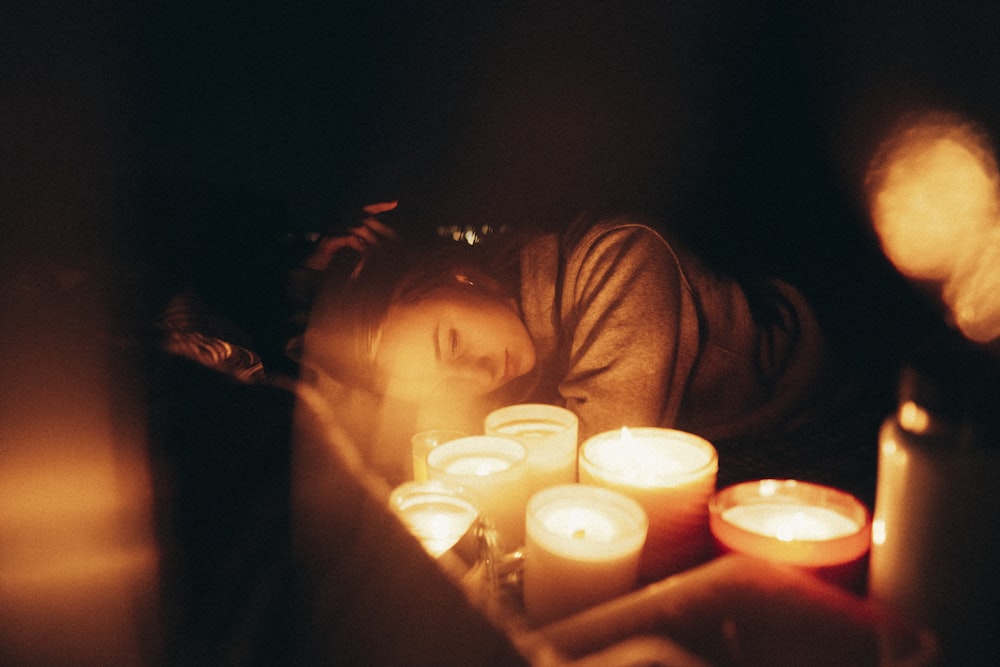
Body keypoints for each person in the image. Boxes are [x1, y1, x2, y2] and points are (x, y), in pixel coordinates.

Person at [298, 205, 829, 483]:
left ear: (459, 275)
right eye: (443, 384)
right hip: (712, 455)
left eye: (453, 344)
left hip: (812, 425)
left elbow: (598, 470)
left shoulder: (619, 260)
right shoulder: (497, 346)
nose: (480, 377)